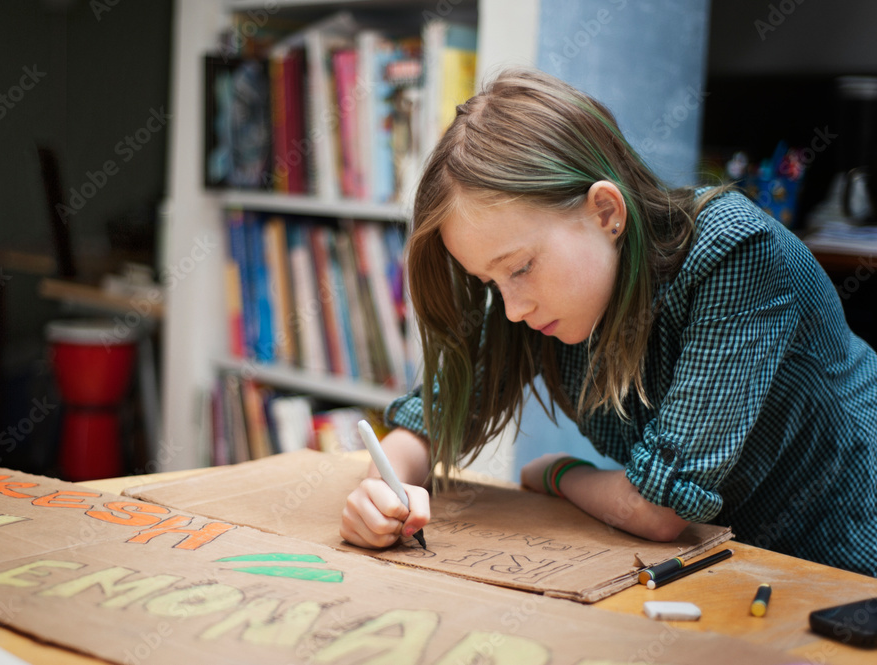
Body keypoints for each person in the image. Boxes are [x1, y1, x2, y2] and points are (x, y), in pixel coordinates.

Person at [340, 67, 877, 576]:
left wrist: (557, 472)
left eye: (521, 268)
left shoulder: (734, 251)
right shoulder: (532, 298)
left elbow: (660, 511)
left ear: (605, 212)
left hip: (851, 556)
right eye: (490, 282)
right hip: (738, 565)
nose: (511, 309)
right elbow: (431, 422)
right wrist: (382, 492)